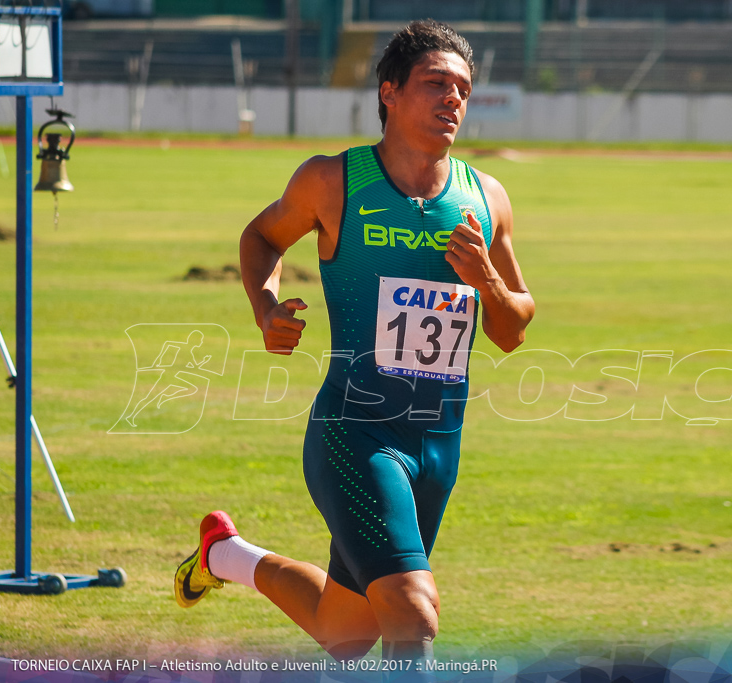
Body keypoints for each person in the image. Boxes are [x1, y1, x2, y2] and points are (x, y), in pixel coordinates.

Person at [172, 20, 535, 670]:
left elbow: (513, 328)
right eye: (436, 83)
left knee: (348, 627)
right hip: (355, 432)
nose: (453, 98)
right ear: (389, 92)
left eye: (463, 88)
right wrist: (265, 308)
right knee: (414, 610)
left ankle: (222, 554)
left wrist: (484, 279)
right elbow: (261, 238)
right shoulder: (333, 182)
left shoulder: (487, 198)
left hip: (438, 446)